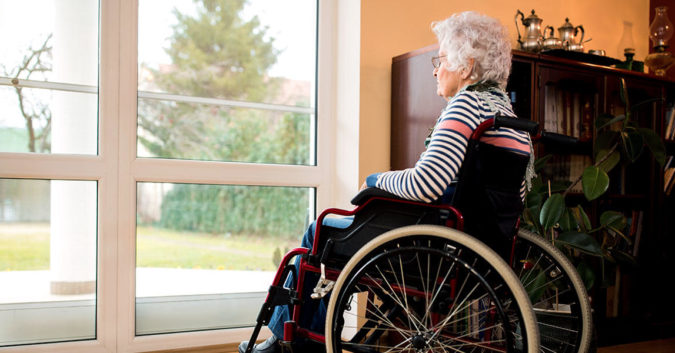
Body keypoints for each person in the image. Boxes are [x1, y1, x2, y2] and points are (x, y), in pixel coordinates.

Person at [239, 11, 533, 353]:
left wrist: (375, 180)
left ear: (466, 67)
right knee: (336, 234)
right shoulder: (510, 119)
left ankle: (288, 344)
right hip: (477, 250)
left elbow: (427, 184)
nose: (436, 69)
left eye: (440, 60)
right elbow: (517, 196)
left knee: (318, 234)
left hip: (434, 252)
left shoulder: (465, 105)